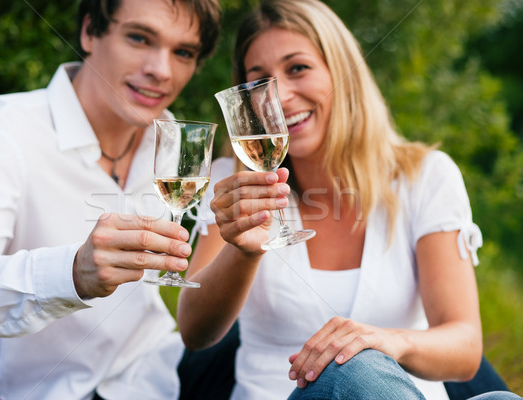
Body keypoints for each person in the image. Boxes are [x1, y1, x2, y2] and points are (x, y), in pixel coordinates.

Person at [176, 0, 520, 399]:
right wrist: (244, 252)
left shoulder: (426, 176)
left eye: (297, 68)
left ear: (344, 72)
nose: (280, 96)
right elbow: (195, 332)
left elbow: (464, 348)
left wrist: (387, 343)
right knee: (351, 374)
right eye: (260, 81)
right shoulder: (235, 181)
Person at [0, 0, 220, 399]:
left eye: (183, 52)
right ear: (89, 31)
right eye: (138, 37)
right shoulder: (1, 131)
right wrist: (72, 274)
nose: (161, 70)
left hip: (162, 371)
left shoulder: (169, 134)